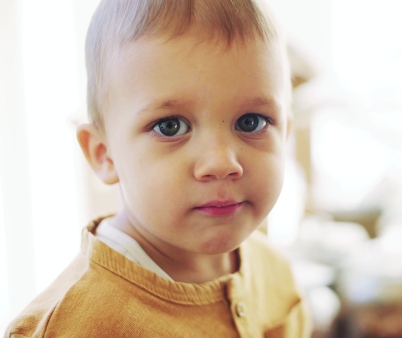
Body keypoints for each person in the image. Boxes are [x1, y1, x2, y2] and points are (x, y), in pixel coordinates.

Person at [4, 0, 312, 336]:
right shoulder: (75, 326)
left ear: (284, 134)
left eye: (251, 122)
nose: (221, 163)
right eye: (171, 127)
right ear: (104, 154)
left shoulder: (276, 273)